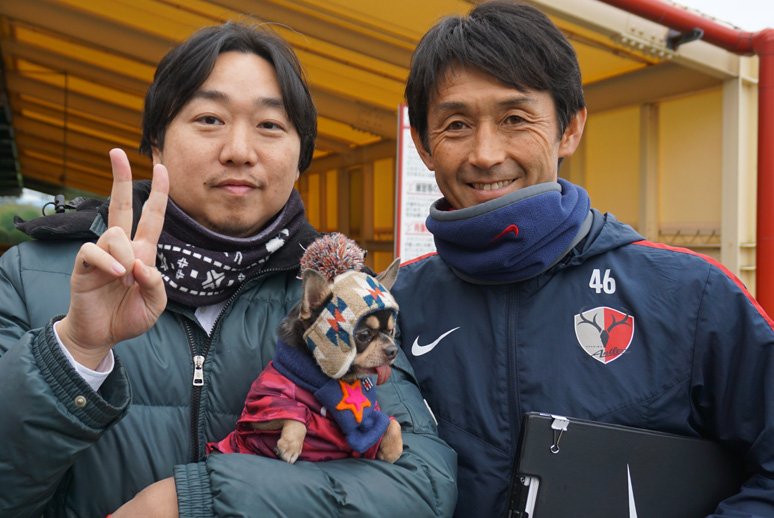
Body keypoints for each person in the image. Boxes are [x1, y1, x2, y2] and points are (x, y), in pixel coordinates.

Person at [0, 21, 456, 517]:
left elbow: (420, 485)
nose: (239, 150)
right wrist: (75, 352)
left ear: (300, 156)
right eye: (209, 119)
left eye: (270, 125)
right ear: (157, 142)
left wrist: (198, 501)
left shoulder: (340, 298)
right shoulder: (31, 277)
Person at [390, 1, 774, 517]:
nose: (485, 153)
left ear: (569, 129)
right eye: (456, 124)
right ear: (423, 144)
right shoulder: (389, 308)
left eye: (514, 119)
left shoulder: (692, 295)